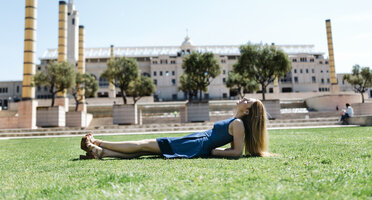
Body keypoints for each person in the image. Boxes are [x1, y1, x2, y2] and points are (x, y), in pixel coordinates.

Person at [80, 98, 271, 159]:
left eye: (248, 101)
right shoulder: (236, 122)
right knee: (145, 150)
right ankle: (100, 152)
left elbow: (237, 152)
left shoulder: (238, 124)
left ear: (247, 112)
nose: (244, 98)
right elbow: (234, 147)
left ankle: (99, 143)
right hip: (196, 140)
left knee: (145, 144)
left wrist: (214, 151)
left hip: (198, 144)